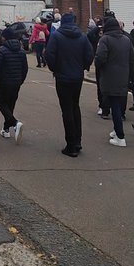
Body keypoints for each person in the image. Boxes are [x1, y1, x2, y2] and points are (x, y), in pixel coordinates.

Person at [44, 11, 94, 158]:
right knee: (75, 107)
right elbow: (89, 55)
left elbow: (49, 55)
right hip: (77, 77)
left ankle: (71, 145)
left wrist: (56, 69)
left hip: (63, 77)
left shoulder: (56, 36)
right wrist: (83, 67)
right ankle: (77, 142)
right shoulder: (82, 37)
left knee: (66, 110)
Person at [94, 15, 134, 147]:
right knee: (118, 104)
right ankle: (116, 130)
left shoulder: (105, 39)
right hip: (123, 77)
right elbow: (132, 59)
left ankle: (120, 136)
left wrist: (99, 67)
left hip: (109, 77)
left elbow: (100, 58)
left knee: (115, 107)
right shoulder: (126, 39)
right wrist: (129, 76)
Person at [0, 23, 30, 143]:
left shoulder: (2, 50)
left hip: (4, 83)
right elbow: (25, 68)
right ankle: (6, 129)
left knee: (1, 103)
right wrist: (21, 80)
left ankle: (15, 123)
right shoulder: (21, 50)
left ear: (6, 37)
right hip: (16, 82)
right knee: (11, 104)